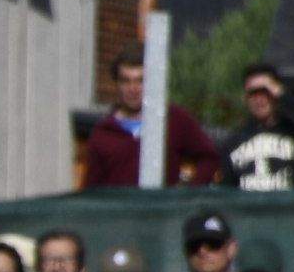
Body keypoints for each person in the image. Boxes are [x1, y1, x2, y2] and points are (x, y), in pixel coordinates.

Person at [82, 46, 223, 189]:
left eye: (140, 80)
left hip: (165, 209)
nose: (133, 88)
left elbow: (210, 157)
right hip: (120, 210)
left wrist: (188, 195)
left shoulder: (174, 119)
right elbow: (91, 191)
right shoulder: (103, 134)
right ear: (117, 84)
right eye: (126, 81)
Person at [218, 62, 294, 190]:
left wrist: (281, 94)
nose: (259, 100)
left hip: (290, 208)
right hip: (251, 209)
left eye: (265, 92)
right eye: (253, 93)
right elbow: (227, 188)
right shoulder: (233, 141)